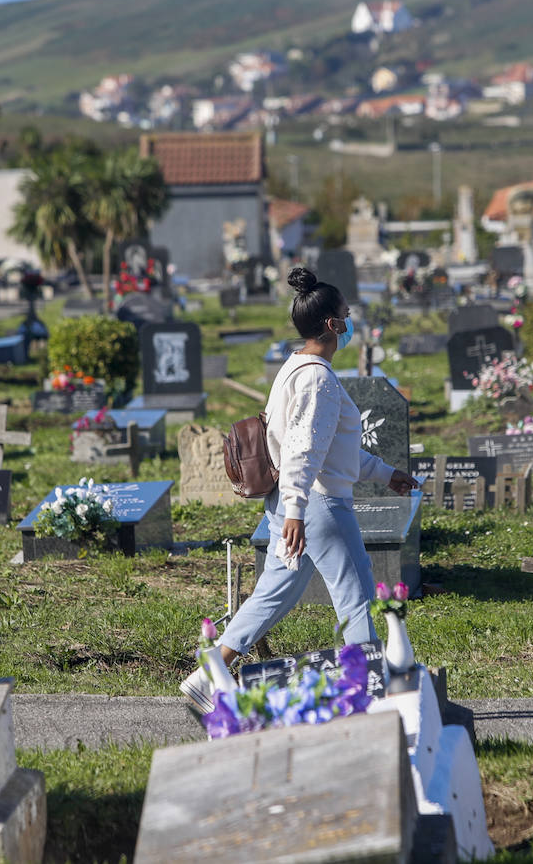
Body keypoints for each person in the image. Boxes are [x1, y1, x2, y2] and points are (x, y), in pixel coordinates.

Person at [179, 266, 420, 712]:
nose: (351, 322)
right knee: (355, 595)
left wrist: (385, 473)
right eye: (346, 315)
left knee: (276, 592)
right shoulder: (318, 379)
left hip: (294, 502)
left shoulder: (295, 368)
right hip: (317, 505)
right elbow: (303, 450)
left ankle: (209, 672)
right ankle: (370, 691)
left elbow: (330, 450)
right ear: (332, 324)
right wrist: (296, 510)